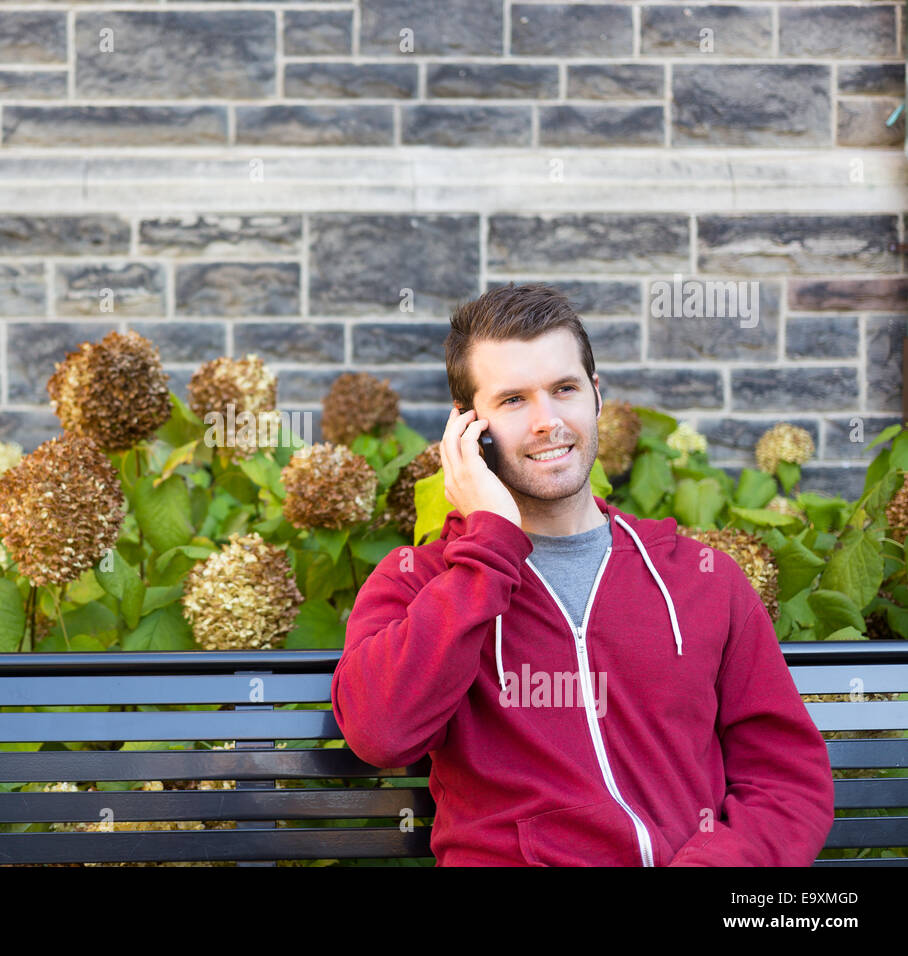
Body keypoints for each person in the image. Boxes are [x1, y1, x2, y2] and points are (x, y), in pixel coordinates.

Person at [332, 282, 835, 866]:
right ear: (468, 431)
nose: (548, 421)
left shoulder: (701, 579)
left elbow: (786, 779)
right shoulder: (421, 582)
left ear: (595, 396)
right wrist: (487, 552)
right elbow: (380, 734)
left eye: (564, 389)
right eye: (514, 400)